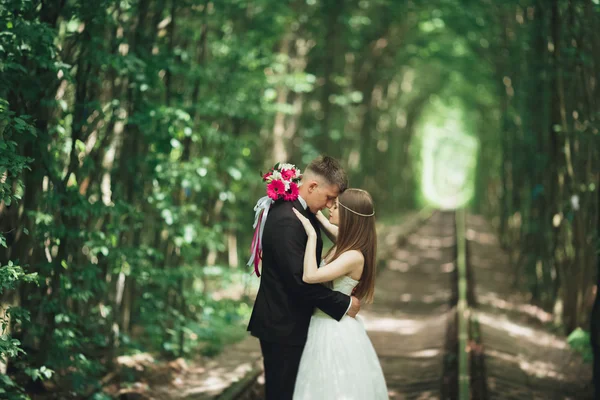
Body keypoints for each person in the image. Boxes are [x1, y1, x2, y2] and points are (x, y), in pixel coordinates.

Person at [247, 156, 361, 400]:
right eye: (329, 197)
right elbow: (299, 282)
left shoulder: (302, 211)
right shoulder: (289, 219)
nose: (331, 205)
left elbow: (346, 240)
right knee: (282, 393)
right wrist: (344, 304)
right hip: (282, 326)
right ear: (312, 187)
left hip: (292, 323)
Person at [292, 188, 389, 399]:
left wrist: (310, 235)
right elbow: (326, 225)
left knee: (333, 386)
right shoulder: (345, 244)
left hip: (332, 329)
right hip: (322, 323)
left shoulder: (353, 255)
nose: (330, 208)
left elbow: (310, 276)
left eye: (336, 207)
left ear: (349, 215)